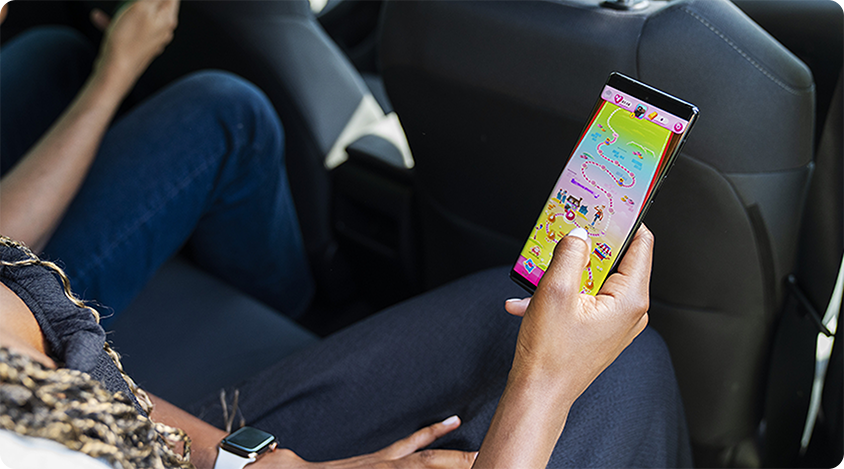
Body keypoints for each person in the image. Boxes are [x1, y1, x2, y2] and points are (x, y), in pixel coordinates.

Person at [0, 0, 693, 468]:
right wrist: (542, 388)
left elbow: (88, 390)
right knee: (622, 369)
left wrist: (266, 462)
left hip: (169, 430)